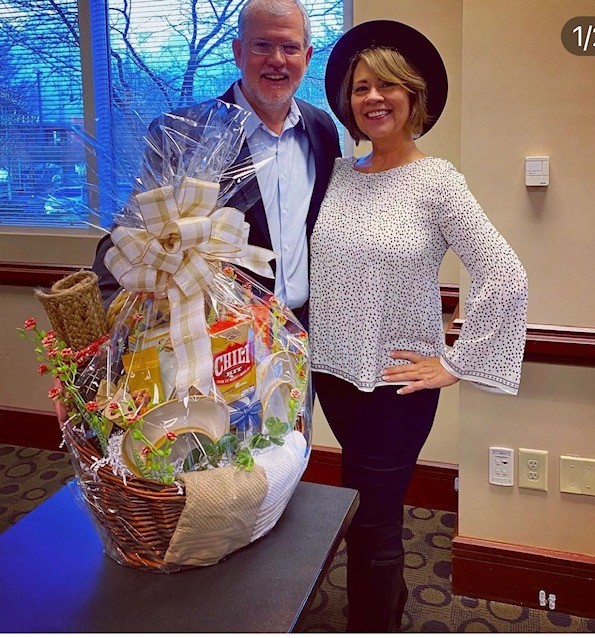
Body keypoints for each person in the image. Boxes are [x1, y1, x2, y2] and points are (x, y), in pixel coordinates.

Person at [310, 20, 528, 632]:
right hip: (334, 377)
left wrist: (456, 363)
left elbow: (504, 273)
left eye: (388, 86)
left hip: (396, 388)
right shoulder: (338, 176)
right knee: (360, 506)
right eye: (361, 88)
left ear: (414, 97)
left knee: (375, 522)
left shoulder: (437, 183)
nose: (373, 98)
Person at [92, 0, 341, 327]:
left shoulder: (321, 128)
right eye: (262, 45)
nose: (277, 59)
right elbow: (131, 234)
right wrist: (102, 325)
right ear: (238, 52)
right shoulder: (185, 135)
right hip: (223, 335)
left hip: (308, 329)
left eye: (290, 47)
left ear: (307, 57)